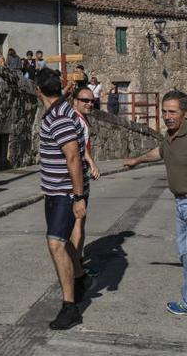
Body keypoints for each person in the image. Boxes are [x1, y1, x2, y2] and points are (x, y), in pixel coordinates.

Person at [123, 90, 187, 337]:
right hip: (181, 204)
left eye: (173, 112)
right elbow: (160, 153)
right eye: (165, 111)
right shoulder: (171, 135)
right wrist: (136, 161)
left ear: (186, 112)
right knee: (185, 256)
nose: (167, 117)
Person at [35, 68, 89, 330]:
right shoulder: (62, 108)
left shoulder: (58, 117)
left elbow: (73, 158)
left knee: (56, 244)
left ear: (38, 91)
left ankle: (70, 308)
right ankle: (80, 277)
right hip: (55, 191)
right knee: (64, 241)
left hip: (65, 193)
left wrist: (78, 197)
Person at [71, 87, 101, 277]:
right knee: (78, 223)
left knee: (78, 222)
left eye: (92, 101)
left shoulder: (79, 119)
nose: (90, 104)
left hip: (79, 175)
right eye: (85, 100)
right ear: (75, 100)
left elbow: (82, 148)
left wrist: (91, 162)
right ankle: (76, 268)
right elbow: (74, 153)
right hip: (77, 179)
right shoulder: (77, 121)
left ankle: (76, 262)